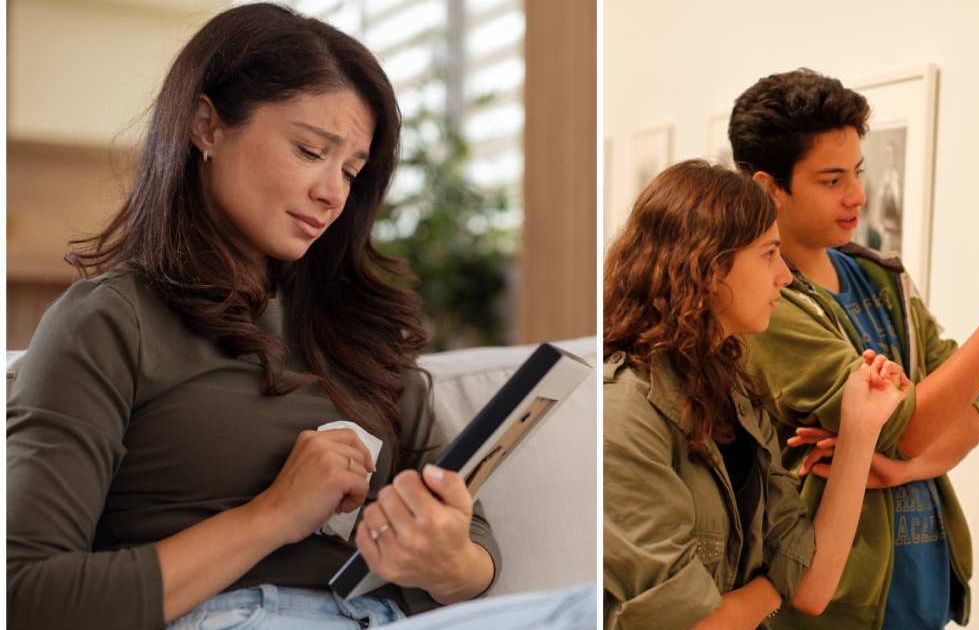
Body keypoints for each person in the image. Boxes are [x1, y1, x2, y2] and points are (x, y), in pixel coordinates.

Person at [7, 5, 587, 629]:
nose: (333, 193)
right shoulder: (111, 321)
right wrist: (273, 516)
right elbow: (29, 595)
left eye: (351, 171)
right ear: (206, 126)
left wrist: (445, 559)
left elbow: (475, 545)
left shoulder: (359, 332)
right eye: (311, 151)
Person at [727, 68, 979, 630]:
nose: (857, 195)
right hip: (833, 611)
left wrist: (904, 467)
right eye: (831, 180)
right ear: (767, 187)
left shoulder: (879, 277)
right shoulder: (767, 306)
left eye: (857, 172)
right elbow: (911, 424)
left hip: (920, 591)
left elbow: (968, 419)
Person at [603, 160, 912, 630]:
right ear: (706, 267)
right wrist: (775, 584)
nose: (784, 277)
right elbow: (694, 625)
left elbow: (812, 586)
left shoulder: (727, 385)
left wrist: (860, 428)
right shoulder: (625, 410)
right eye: (769, 254)